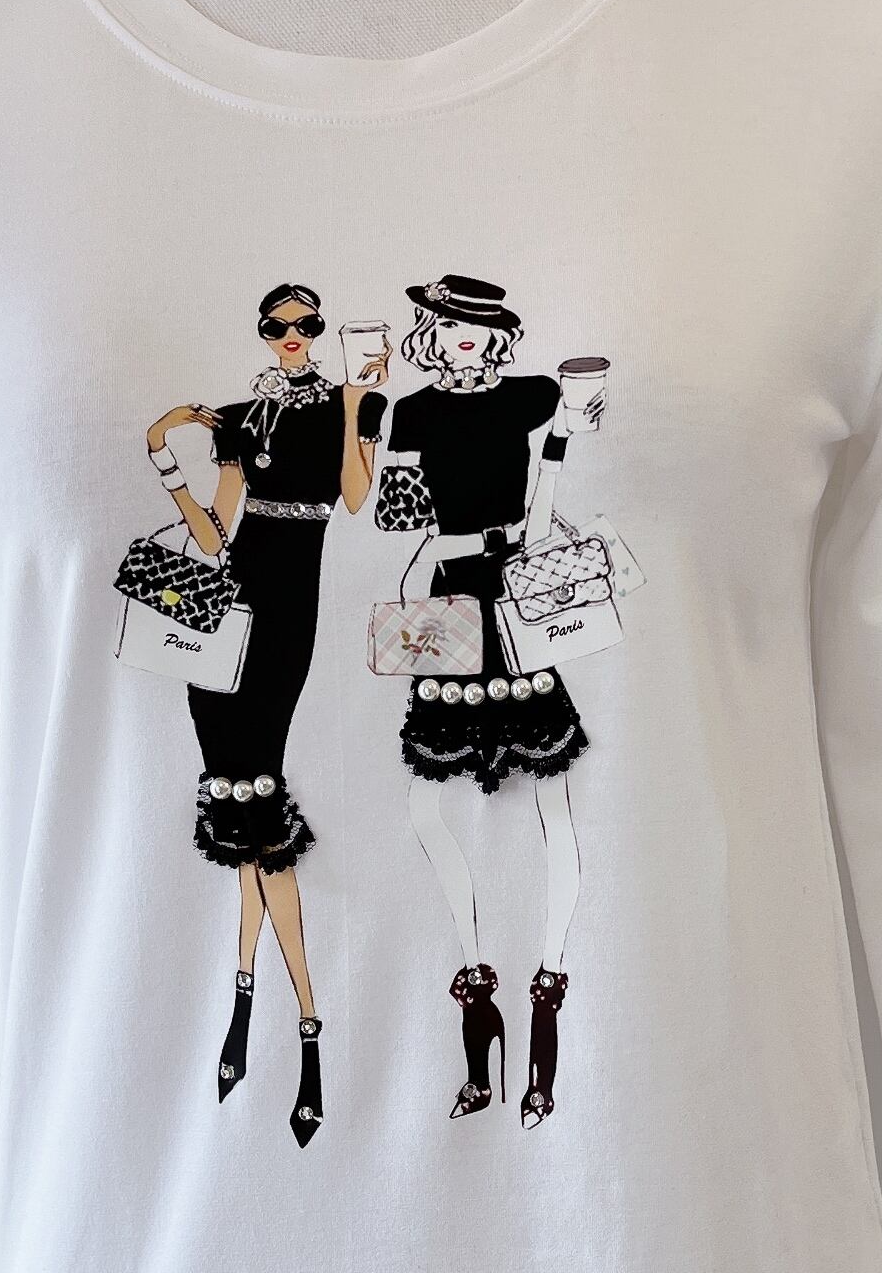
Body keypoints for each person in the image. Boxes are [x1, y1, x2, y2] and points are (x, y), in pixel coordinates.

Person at [145, 284, 387, 1144]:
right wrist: (163, 454)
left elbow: (354, 498)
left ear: (320, 331)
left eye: (306, 326)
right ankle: (254, 1009)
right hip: (226, 609)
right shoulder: (243, 416)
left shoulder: (353, 405)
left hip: (288, 614)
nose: (293, 336)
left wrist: (356, 401)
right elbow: (216, 533)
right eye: (279, 327)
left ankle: (303, 1025)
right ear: (263, 332)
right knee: (243, 810)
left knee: (261, 801)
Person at [378, 273, 605, 1128]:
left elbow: (545, 497)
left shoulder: (530, 396)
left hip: (518, 595)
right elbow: (406, 524)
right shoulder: (412, 413)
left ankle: (548, 990)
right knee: (426, 804)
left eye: (476, 323)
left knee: (554, 798)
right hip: (449, 595)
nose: (461, 335)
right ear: (430, 332)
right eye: (446, 322)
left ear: (499, 334)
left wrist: (566, 434)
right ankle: (478, 988)